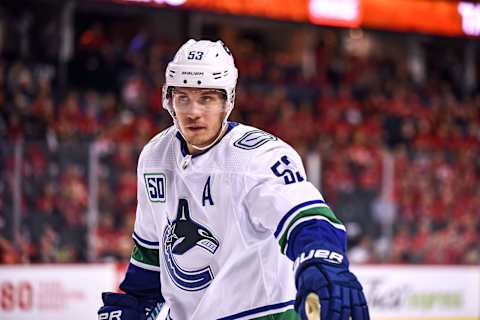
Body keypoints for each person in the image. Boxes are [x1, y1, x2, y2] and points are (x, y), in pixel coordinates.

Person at [98, 39, 369, 320]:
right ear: (168, 100)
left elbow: (303, 214)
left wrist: (320, 256)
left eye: (207, 98)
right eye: (183, 97)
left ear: (228, 101)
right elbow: (151, 257)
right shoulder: (155, 156)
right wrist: (134, 302)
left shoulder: (258, 157)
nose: (193, 112)